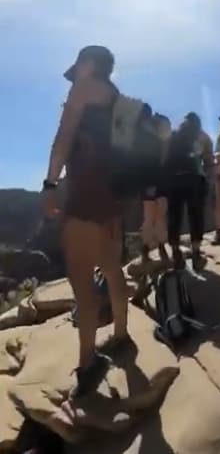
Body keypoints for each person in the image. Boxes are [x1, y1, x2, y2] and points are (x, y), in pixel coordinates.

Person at [42, 45, 132, 399]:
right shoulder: (117, 99)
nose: (73, 77)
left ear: (89, 64)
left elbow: (64, 137)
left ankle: (88, 361)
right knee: (111, 267)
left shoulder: (84, 88)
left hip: (84, 191)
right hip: (111, 195)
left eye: (77, 67)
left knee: (81, 277)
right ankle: (122, 335)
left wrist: (50, 184)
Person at [164, 112, 214, 271]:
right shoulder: (203, 137)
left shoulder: (173, 135)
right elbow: (208, 161)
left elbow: (164, 158)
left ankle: (175, 252)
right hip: (195, 179)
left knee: (174, 216)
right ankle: (196, 254)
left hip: (173, 179)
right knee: (196, 216)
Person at [140, 114, 172, 264]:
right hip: (154, 182)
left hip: (157, 183)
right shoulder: (153, 142)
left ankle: (155, 248)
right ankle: (150, 249)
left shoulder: (155, 141)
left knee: (155, 218)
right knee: (153, 218)